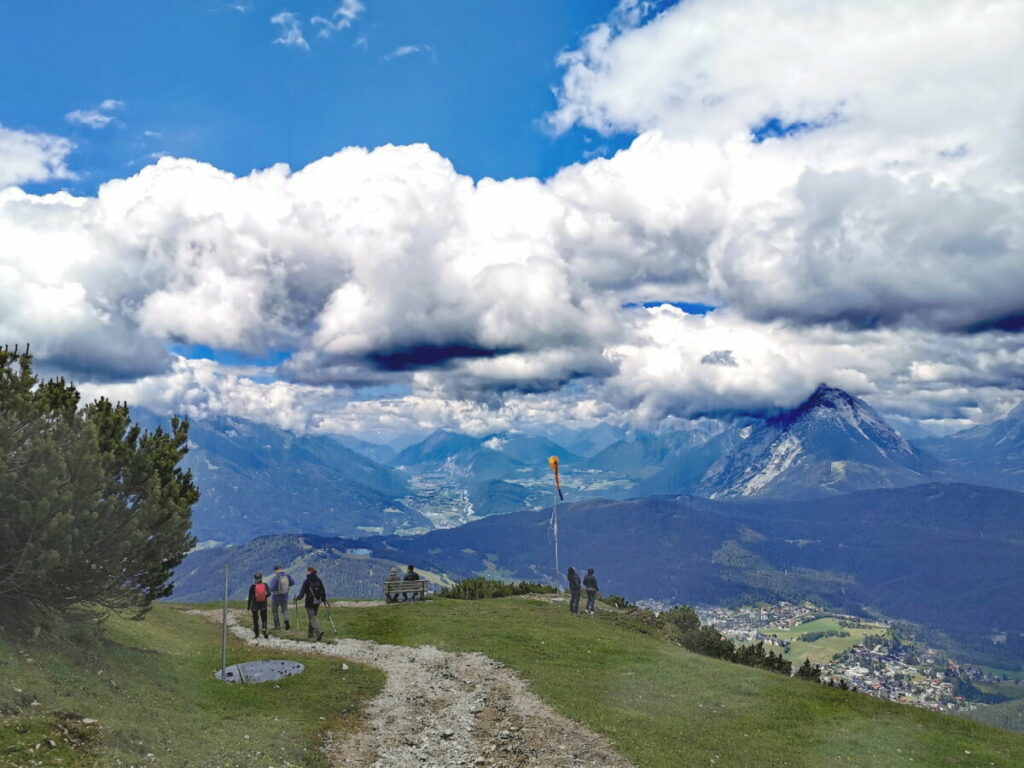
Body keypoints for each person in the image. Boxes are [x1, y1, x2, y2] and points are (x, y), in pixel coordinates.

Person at [296, 566, 327, 641]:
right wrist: (323, 599)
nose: (306, 572)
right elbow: (323, 590)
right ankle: (310, 634)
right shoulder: (318, 580)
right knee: (312, 617)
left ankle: (319, 631)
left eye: (307, 571)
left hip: (309, 602)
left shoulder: (307, 581)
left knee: (312, 617)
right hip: (317, 602)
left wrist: (297, 598)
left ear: (309, 572)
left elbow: (302, 594)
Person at [269, 565, 293, 630]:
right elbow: (293, 583)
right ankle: (287, 624)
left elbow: (271, 588)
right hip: (285, 596)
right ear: (281, 569)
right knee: (284, 610)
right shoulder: (287, 576)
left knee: (274, 611)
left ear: (276, 570)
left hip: (276, 597)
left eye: (274, 571)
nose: (274, 572)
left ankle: (277, 626)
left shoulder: (276, 578)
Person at [247, 572, 270, 639]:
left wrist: (248, 607)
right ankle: (264, 630)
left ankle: (257, 634)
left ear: (255, 578)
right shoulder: (265, 585)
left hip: (255, 606)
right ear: (261, 577)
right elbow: (269, 594)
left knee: (255, 620)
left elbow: (250, 598)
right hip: (263, 605)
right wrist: (265, 594)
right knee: (264, 619)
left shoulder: (252, 586)